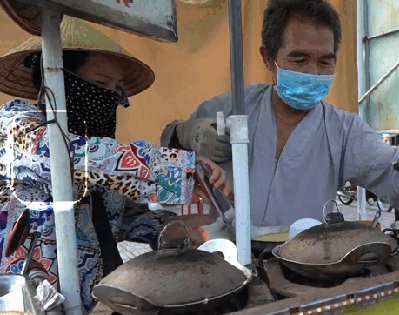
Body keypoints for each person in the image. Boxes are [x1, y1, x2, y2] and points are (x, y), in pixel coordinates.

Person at [161, 0, 399, 227]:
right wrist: (183, 133)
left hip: (303, 269)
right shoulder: (230, 107)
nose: (313, 72)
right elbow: (165, 157)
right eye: (299, 60)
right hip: (221, 263)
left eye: (325, 61)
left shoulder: (344, 133)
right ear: (268, 58)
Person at [0, 17, 231, 313]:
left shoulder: (102, 158)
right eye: (99, 84)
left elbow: (114, 224)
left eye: (116, 89)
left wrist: (173, 229)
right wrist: (178, 167)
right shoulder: (16, 125)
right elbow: (62, 159)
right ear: (56, 77)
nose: (109, 97)